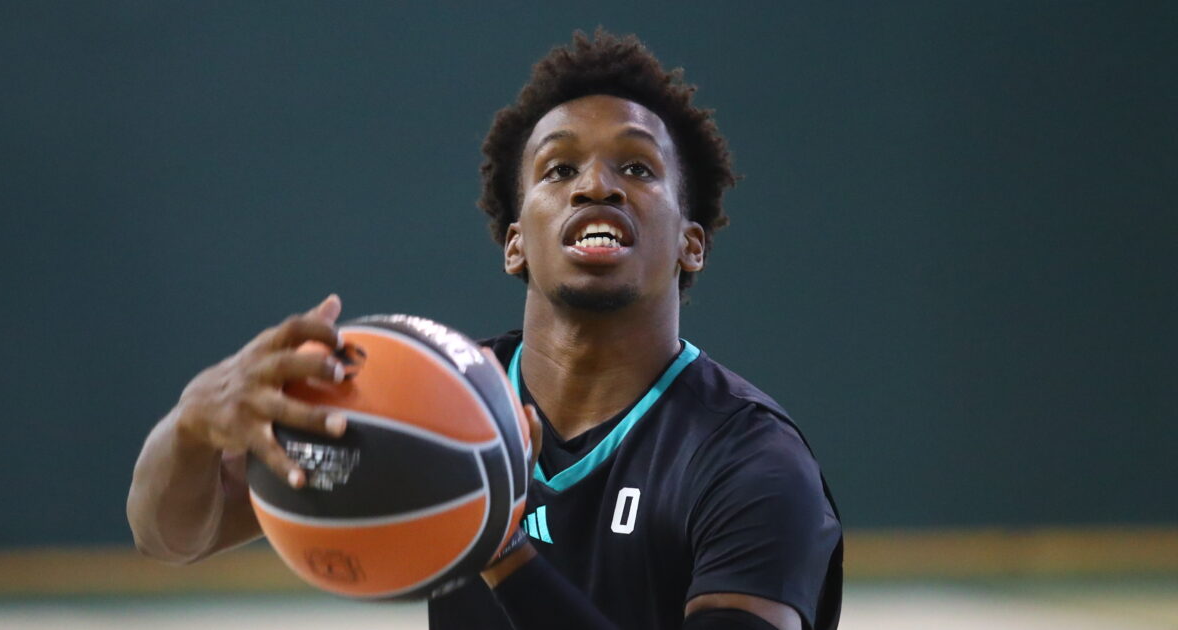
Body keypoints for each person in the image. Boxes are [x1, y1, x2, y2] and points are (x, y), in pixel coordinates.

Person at [127, 30, 842, 630]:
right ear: (515, 242)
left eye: (637, 167)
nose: (596, 185)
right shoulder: (428, 402)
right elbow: (171, 536)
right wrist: (191, 426)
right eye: (559, 168)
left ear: (692, 243)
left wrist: (504, 553)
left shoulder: (750, 461)